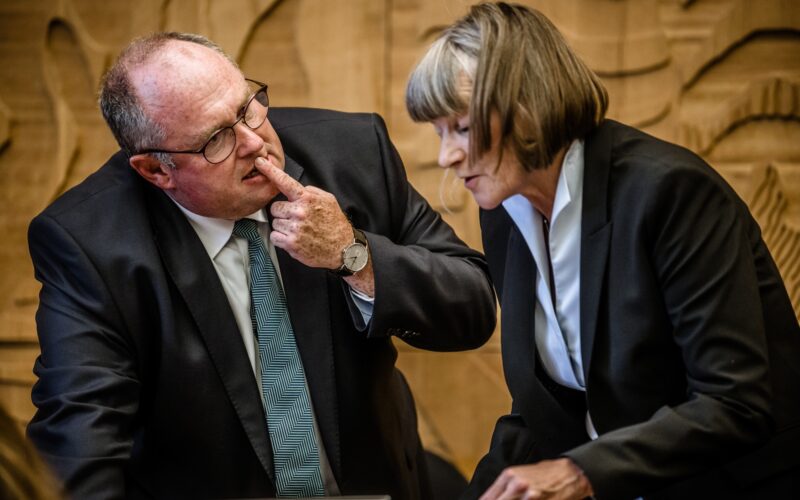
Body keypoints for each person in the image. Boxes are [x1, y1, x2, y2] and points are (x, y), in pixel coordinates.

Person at [27, 32, 496, 499]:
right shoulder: (89, 244)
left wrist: (354, 255)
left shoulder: (352, 153)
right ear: (156, 170)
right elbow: (79, 449)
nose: (256, 143)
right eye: (217, 139)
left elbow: (472, 308)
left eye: (247, 108)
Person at [405, 3, 800, 499]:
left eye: (462, 128)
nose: (447, 156)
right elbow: (543, 407)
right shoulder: (504, 210)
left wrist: (580, 472)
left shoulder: (670, 192)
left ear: (529, 105)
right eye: (439, 132)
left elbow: (735, 402)